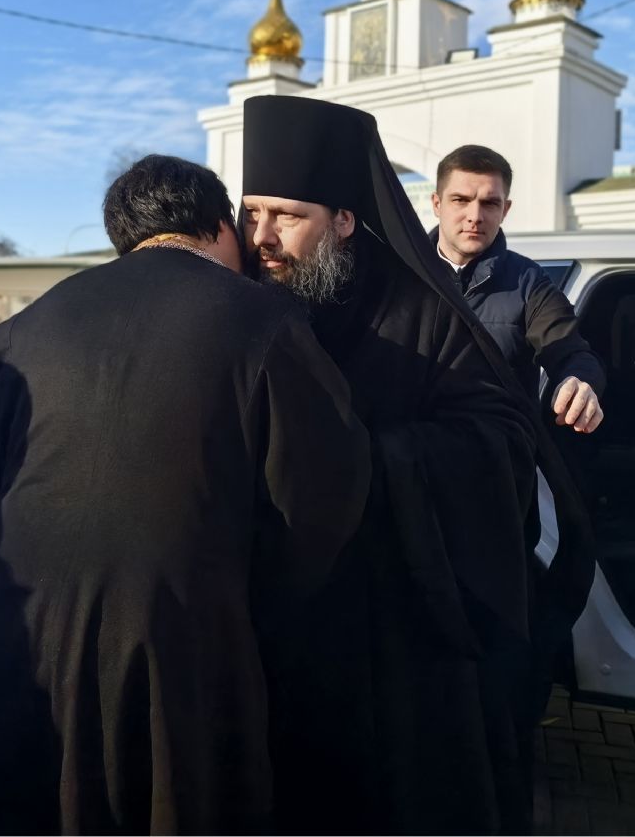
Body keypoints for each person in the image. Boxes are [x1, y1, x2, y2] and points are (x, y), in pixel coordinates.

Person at [0, 155, 369, 835]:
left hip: (7, 627)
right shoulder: (265, 320)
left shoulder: (21, 328)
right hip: (174, 637)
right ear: (219, 226)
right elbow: (318, 499)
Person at [240, 95, 593, 834]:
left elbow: (499, 437)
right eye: (252, 215)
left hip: (393, 618)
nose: (263, 238)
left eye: (287, 217)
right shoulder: (246, 301)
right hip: (276, 618)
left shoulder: (422, 308)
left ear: (343, 220)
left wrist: (364, 460)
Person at [430, 143, 605, 433]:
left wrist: (580, 381)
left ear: (505, 209)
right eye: (460, 200)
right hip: (410, 455)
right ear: (437, 204)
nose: (475, 216)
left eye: (490, 203)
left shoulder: (529, 281)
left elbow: (571, 351)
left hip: (497, 454)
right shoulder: (401, 275)